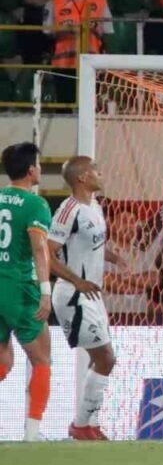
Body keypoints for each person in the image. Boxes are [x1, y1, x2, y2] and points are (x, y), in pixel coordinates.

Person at [46, 156, 114, 440]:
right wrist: (77, 280)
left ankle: (90, 424)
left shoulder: (94, 205)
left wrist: (112, 257)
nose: (100, 173)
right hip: (73, 294)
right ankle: (80, 425)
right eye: (95, 170)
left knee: (99, 358)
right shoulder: (68, 210)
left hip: (92, 294)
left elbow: (90, 244)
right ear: (82, 177)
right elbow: (47, 254)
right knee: (106, 358)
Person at [0, 142, 54, 442]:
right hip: (19, 289)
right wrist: (45, 291)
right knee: (42, 359)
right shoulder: (36, 204)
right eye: (39, 164)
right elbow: (38, 248)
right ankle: (32, 435)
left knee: (3, 362)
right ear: (31, 170)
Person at [45, 0, 113, 76]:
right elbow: (47, 31)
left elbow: (108, 32)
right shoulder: (55, 1)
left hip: (92, 63)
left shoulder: (100, 0)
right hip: (63, 64)